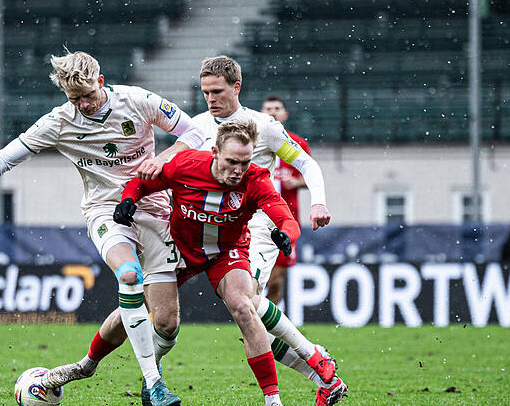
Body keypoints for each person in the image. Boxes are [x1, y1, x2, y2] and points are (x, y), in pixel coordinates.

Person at [0, 51, 204, 406]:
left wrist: (162, 159)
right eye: (74, 99)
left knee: (167, 323)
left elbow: (194, 132)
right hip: (106, 212)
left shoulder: (138, 100)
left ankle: (93, 366)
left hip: (156, 208)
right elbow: (9, 155)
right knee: (128, 276)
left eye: (87, 96)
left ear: (101, 81)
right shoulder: (60, 121)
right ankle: (154, 383)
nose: (82, 104)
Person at [115, 120, 330, 406]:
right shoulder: (186, 165)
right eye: (231, 162)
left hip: (226, 253)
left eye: (244, 162)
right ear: (215, 152)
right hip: (180, 249)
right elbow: (140, 183)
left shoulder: (255, 179)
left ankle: (273, 401)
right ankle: (88, 366)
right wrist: (127, 200)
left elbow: (285, 218)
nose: (237, 170)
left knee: (243, 305)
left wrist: (286, 234)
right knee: (152, 318)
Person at [193, 56, 346, 406]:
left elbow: (306, 162)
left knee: (246, 306)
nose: (210, 99)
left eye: (217, 91)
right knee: (249, 323)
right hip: (217, 232)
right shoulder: (198, 126)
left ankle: (311, 358)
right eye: (205, 93)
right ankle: (323, 375)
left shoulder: (264, 126)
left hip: (259, 227)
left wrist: (317, 202)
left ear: (236, 87)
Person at [260, 96, 311, 305]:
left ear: (285, 114)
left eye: (277, 108)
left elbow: (311, 177)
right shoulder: (253, 143)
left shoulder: (297, 144)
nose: (272, 112)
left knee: (276, 282)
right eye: (268, 108)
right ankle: (253, 329)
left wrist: (297, 182)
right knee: (254, 281)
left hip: (285, 222)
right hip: (256, 221)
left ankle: (265, 330)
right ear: (260, 114)